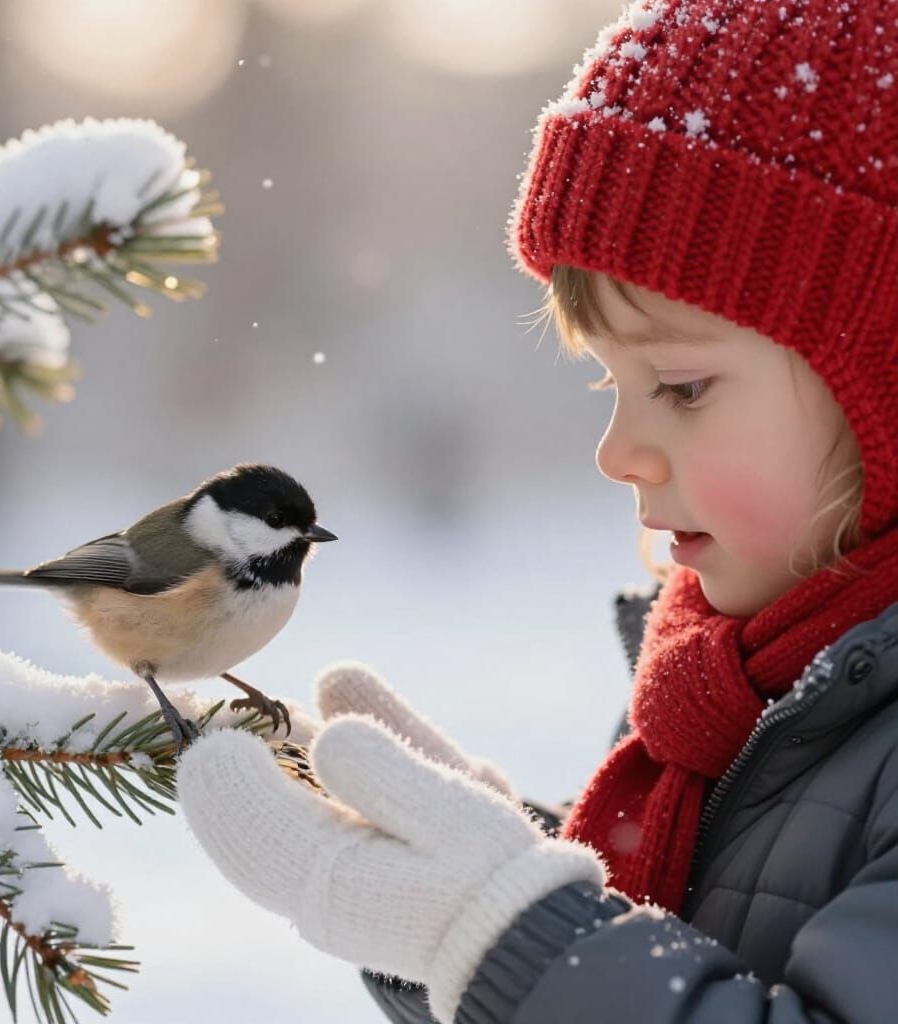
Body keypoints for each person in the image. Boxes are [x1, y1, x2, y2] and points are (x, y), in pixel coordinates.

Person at [177, 1, 898, 1021]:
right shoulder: (721, 687)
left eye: (682, 386)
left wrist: (504, 928)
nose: (617, 451)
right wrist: (484, 875)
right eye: (612, 384)